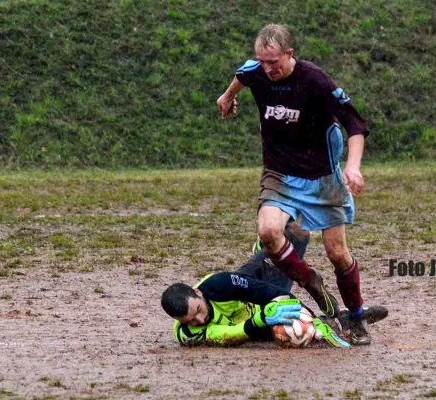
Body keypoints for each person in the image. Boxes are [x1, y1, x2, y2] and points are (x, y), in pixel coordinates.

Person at [216, 24, 372, 345]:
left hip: (323, 179)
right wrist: (227, 96)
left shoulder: (315, 80)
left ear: (289, 54)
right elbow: (242, 75)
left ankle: (356, 316)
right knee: (268, 232)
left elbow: (355, 124)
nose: (267, 68)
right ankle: (313, 285)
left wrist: (353, 167)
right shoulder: (256, 70)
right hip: (280, 174)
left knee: (337, 253)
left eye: (273, 62)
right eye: (262, 61)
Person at [161, 228, 387, 347]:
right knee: (295, 334)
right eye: (191, 320)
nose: (199, 320)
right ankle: (344, 320)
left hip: (251, 287)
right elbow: (228, 335)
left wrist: (305, 312)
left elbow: (269, 293)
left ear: (198, 293)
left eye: (198, 311)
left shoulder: (220, 285)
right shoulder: (186, 334)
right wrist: (263, 320)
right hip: (255, 322)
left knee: (298, 234)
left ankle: (270, 251)